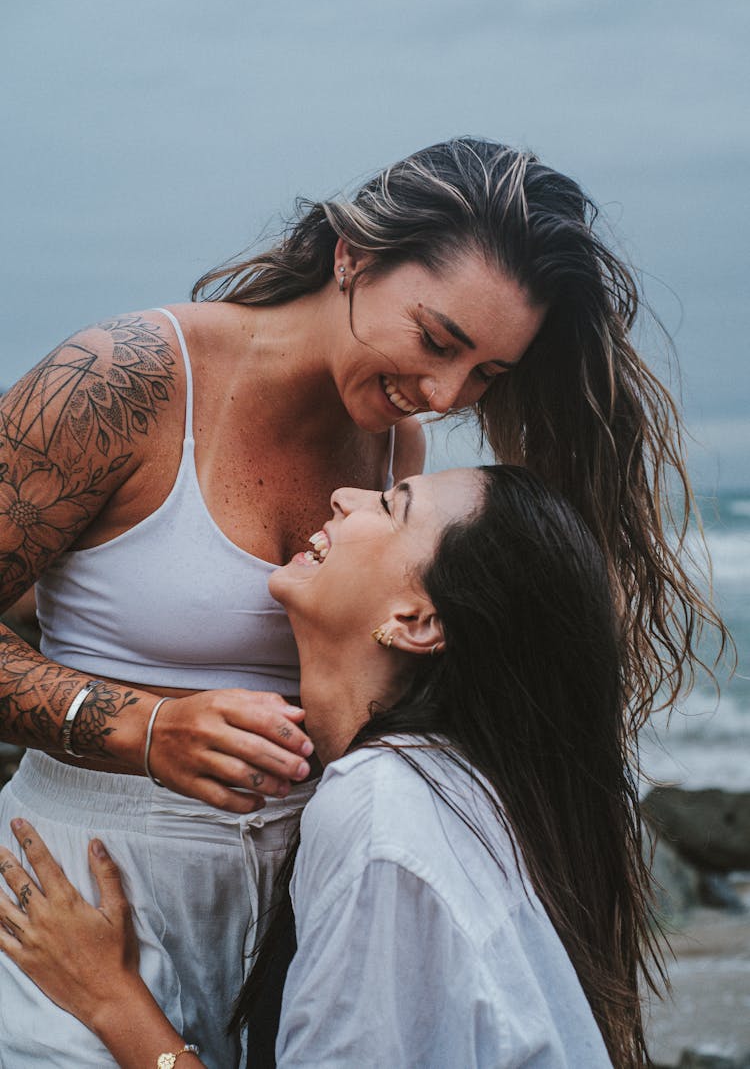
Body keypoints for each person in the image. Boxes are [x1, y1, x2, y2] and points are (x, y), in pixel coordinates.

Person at [0, 138, 723, 1063]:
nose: (444, 394)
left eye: (487, 376)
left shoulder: (394, 453)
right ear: (354, 257)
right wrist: (138, 727)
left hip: (293, 930)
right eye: (438, 339)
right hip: (81, 911)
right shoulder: (126, 379)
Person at [0, 466, 662, 1067]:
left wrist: (112, 999)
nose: (343, 495)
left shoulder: (382, 812)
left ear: (416, 621)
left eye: (392, 505)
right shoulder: (443, 785)